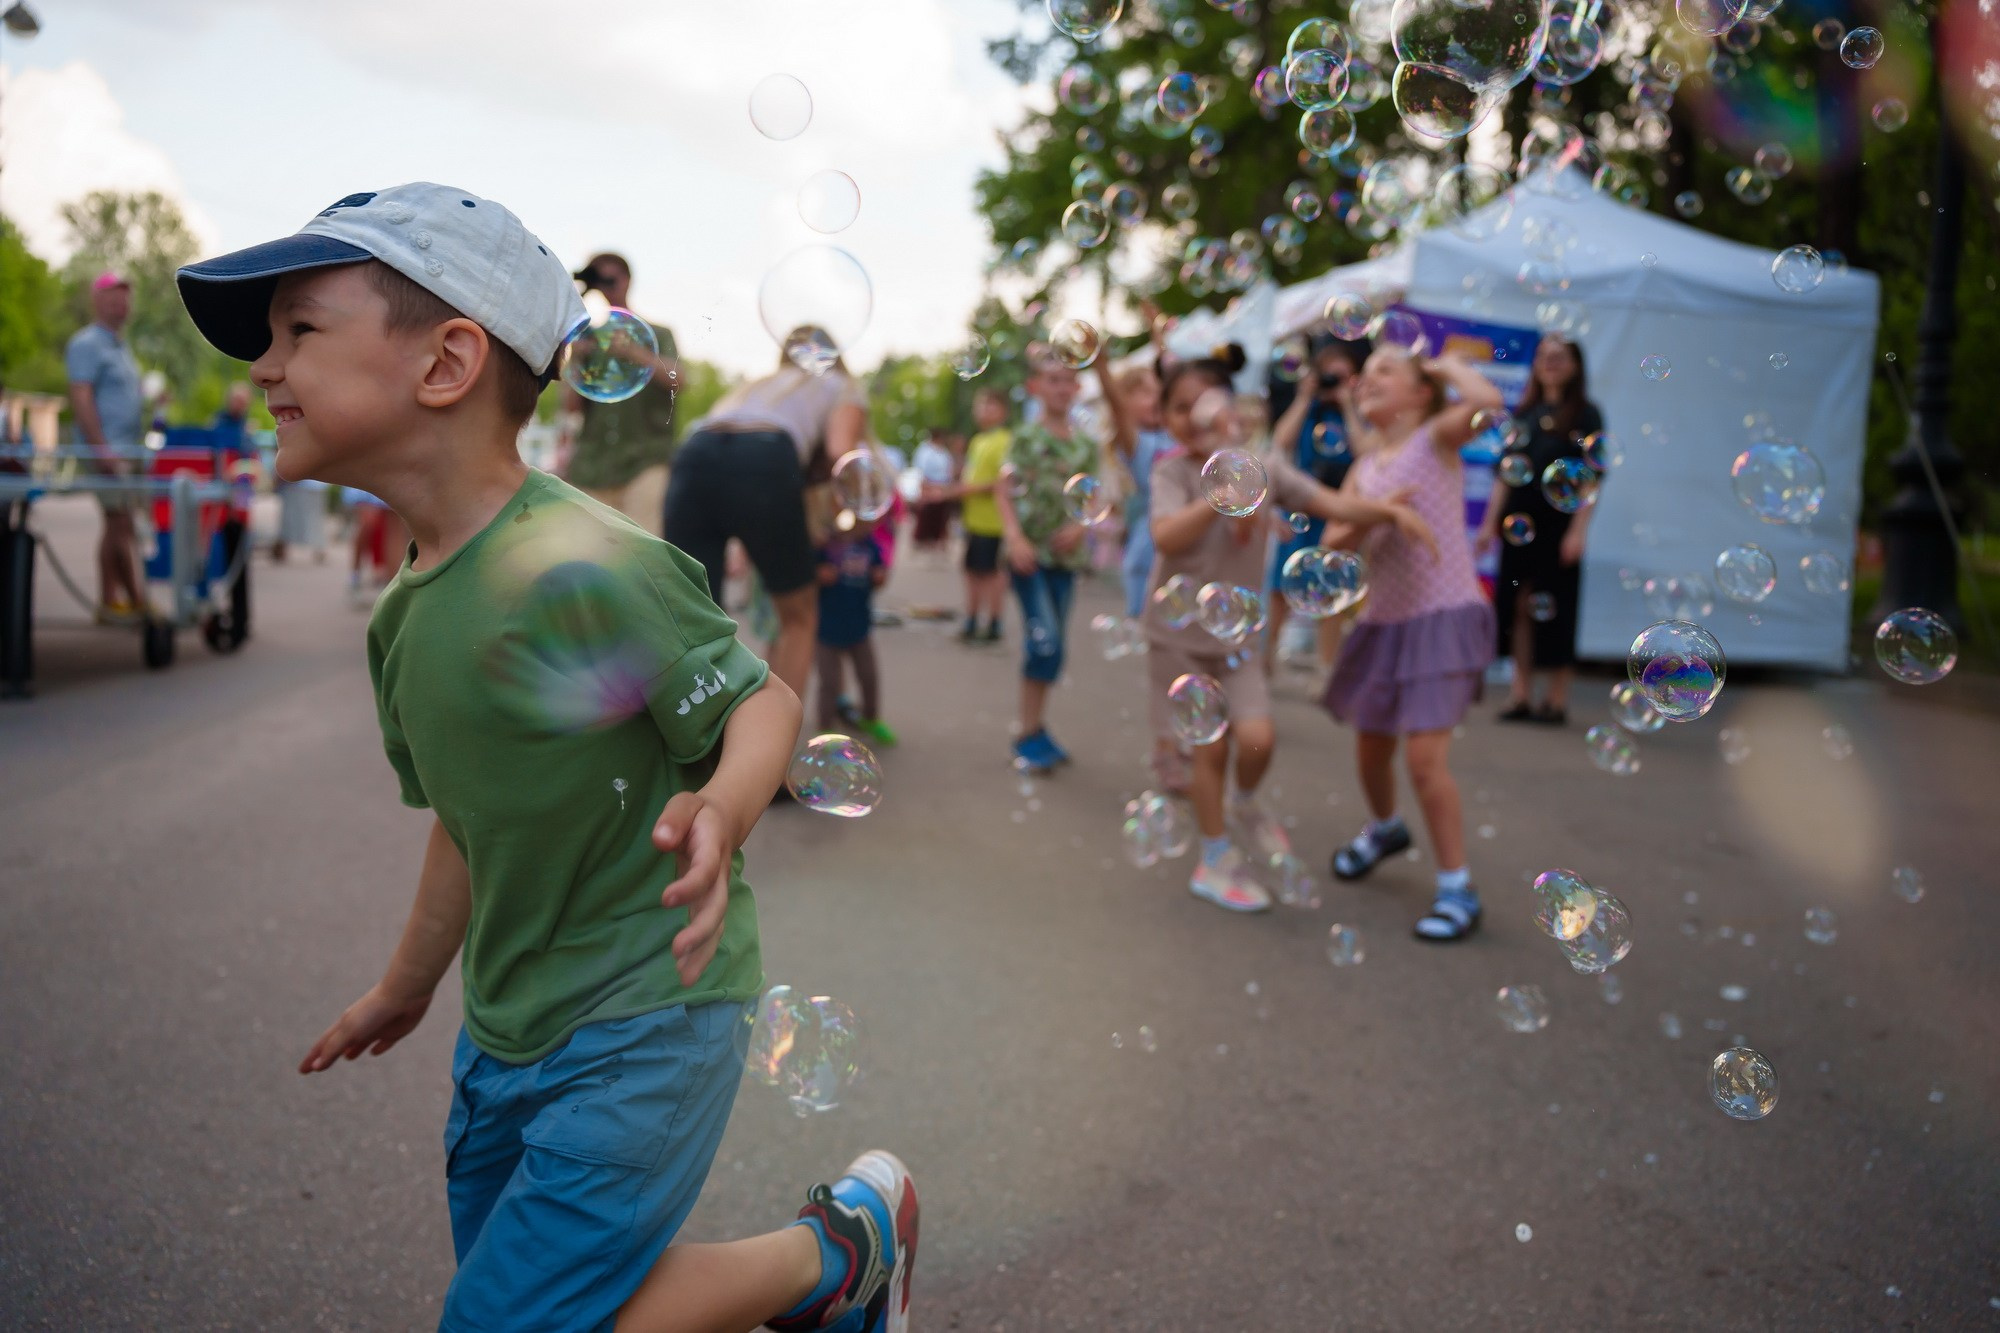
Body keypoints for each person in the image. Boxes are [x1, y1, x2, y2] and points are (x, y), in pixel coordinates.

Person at [175, 183, 917, 1333]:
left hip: (647, 1021)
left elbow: (762, 704)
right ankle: (837, 1268)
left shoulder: (588, 563)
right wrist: (406, 985)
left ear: (446, 363)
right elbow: (466, 825)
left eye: (298, 333)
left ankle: (834, 1254)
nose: (264, 369)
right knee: (545, 1303)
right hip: (504, 1035)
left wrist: (722, 807)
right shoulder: (401, 618)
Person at [1149, 347, 1435, 913]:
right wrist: (1216, 496)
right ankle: (1213, 859)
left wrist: (1386, 512)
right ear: (1166, 418)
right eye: (1178, 409)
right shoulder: (1173, 472)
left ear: (1229, 410)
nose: (1192, 417)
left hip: (1235, 640)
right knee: (1210, 750)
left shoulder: (1263, 467)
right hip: (1179, 637)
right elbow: (1166, 538)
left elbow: (1326, 501)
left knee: (1258, 738)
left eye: (1202, 405)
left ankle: (1245, 800)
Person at [1321, 347, 1502, 943]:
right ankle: (1385, 828)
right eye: (1364, 374)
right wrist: (1379, 514)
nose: (1367, 380)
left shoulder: (1435, 438)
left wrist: (1447, 368)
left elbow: (1488, 406)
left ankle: (1457, 886)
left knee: (1424, 760)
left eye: (1385, 372)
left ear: (1420, 393)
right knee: (1371, 750)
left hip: (1441, 616)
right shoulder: (1364, 468)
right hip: (1383, 622)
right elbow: (1333, 545)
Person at [663, 334, 869, 714]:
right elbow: (843, 453)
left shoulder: (758, 387)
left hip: (694, 454)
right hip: (765, 459)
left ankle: (694, 745)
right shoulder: (842, 386)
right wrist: (857, 508)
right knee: (799, 618)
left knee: (692, 616)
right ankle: (771, 759)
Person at [994, 347, 1130, 775]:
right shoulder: (1025, 438)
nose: (1060, 387)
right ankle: (1026, 734)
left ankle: (1034, 729)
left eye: (1067, 380)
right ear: (1036, 387)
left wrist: (1082, 527)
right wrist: (1015, 538)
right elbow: (1003, 489)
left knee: (1054, 648)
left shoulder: (1086, 445)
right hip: (1029, 558)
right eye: (1051, 379)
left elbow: (1093, 497)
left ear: (1077, 389)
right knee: (1044, 640)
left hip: (1065, 560)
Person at [1477, 333, 1602, 724]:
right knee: (1518, 608)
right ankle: (1520, 695)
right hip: (1519, 520)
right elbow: (1505, 475)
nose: (1550, 362)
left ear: (1576, 365)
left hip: (1557, 525)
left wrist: (1578, 532)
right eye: (1544, 356)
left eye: (1559, 357)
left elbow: (1591, 479)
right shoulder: (1525, 413)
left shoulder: (1585, 414)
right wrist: (1487, 525)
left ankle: (1556, 699)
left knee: (1557, 608)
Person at [560, 252, 681, 536]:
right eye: (599, 281)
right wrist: (573, 361)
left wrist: (636, 353)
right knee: (591, 553)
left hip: (646, 460)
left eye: (611, 279)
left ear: (627, 281)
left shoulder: (659, 334)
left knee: (642, 549)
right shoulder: (587, 339)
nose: (606, 287)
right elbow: (571, 407)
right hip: (592, 465)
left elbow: (680, 381)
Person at [1266, 337, 1368, 672]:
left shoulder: (1361, 413)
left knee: (1333, 591)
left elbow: (1365, 452)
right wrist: (1305, 397)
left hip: (1341, 508)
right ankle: (1265, 660)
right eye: (1329, 376)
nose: (1334, 384)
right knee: (1280, 587)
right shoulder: (1309, 408)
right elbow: (1281, 440)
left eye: (1342, 377)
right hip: (1302, 504)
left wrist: (1349, 404)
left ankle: (1327, 667)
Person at [64, 271, 147, 620]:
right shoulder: (86, 344)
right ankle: (134, 602)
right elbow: (81, 398)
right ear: (96, 301)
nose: (121, 302)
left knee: (118, 524)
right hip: (108, 451)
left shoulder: (120, 344)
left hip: (125, 449)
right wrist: (101, 450)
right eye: (113, 296)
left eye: (125, 296)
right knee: (120, 524)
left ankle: (111, 599)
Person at [932, 387, 1011, 643]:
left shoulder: (1004, 441)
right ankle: (972, 619)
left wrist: (963, 489)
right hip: (973, 521)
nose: (984, 411)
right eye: (981, 405)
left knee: (990, 575)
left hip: (993, 522)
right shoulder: (978, 441)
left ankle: (994, 624)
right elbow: (970, 477)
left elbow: (1001, 482)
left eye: (991, 405)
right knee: (971, 572)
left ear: (1003, 411)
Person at [814, 523, 896, 747]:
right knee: (829, 682)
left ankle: (871, 718)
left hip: (859, 627)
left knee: (869, 676)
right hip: (826, 628)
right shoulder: (824, 544)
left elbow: (880, 573)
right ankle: (825, 728)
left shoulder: (868, 543)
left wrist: (879, 577)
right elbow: (808, 574)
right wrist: (820, 574)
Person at [1109, 363, 1172, 623]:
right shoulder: (1138, 444)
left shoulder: (1175, 435)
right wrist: (1103, 365)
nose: (1156, 398)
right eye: (1145, 393)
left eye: (1157, 392)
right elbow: (1114, 404)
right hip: (1149, 544)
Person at [909, 431, 957, 557]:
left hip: (942, 489)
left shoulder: (944, 452)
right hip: (929, 488)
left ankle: (937, 545)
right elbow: (921, 473)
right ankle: (923, 546)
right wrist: (925, 491)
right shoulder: (925, 451)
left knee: (941, 519)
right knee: (926, 518)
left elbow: (949, 471)